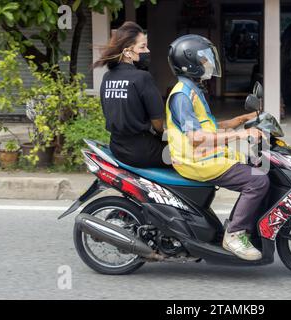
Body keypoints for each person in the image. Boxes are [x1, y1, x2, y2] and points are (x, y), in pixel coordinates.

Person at [166, 34, 270, 261]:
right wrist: (241, 134)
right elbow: (196, 137)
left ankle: (238, 225)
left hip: (205, 157)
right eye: (204, 59)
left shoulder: (192, 90)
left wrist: (239, 120)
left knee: (254, 169)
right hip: (196, 160)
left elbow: (207, 127)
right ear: (190, 62)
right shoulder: (182, 95)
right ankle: (234, 235)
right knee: (257, 180)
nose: (209, 64)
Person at [93, 21, 169, 168]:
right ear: (127, 52)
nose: (147, 51)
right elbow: (157, 121)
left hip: (117, 147)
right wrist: (162, 132)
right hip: (142, 150)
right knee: (185, 157)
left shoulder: (107, 77)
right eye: (142, 47)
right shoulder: (142, 77)